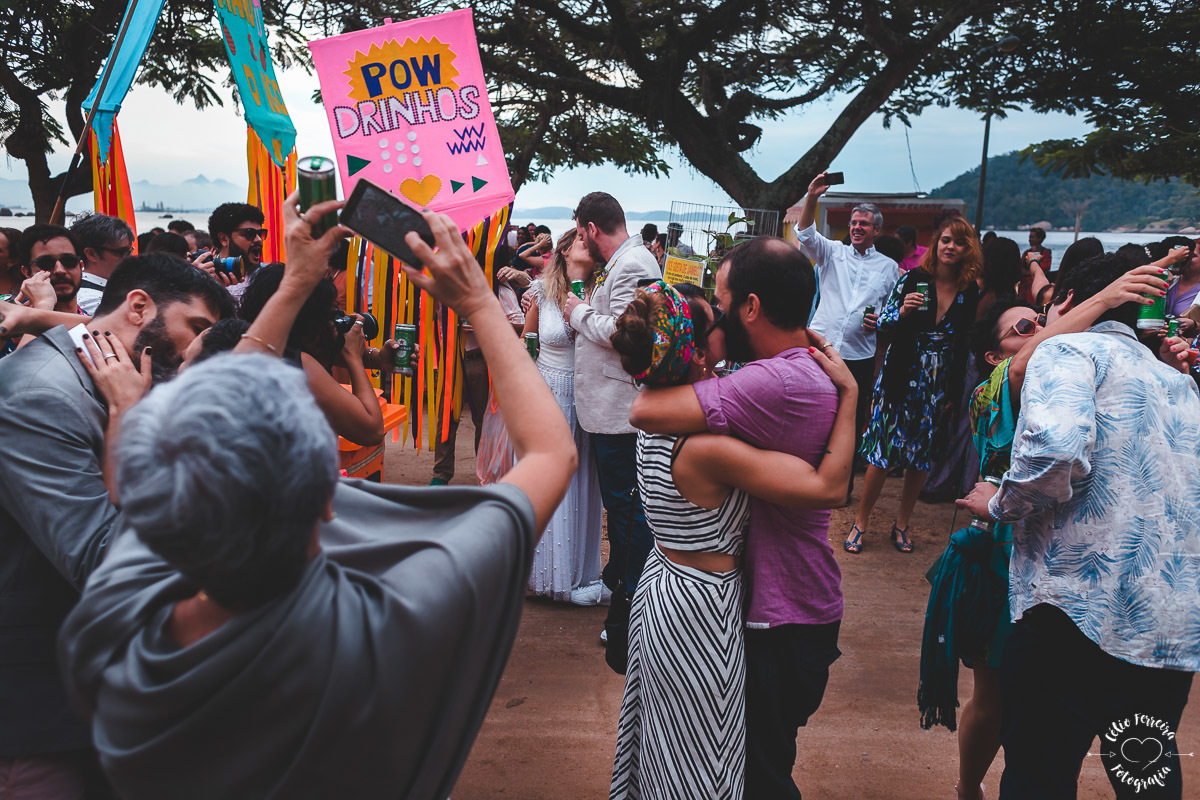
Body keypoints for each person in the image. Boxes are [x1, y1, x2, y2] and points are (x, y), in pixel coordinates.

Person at [58, 194, 578, 800]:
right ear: (330, 497)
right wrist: (479, 303)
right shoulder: (397, 620)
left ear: (155, 509)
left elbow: (139, 504)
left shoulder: (109, 632)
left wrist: (127, 410)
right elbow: (551, 454)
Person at [919, 261, 1171, 800]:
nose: (1040, 332)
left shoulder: (1075, 372)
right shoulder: (996, 385)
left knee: (1039, 732)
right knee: (994, 696)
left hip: (1064, 573)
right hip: (999, 556)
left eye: (1040, 319)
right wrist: (1101, 304)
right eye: (1023, 329)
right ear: (993, 355)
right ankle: (969, 789)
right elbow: (1036, 363)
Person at [610, 279, 857, 800]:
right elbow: (827, 486)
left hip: (659, 588)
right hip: (700, 603)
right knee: (703, 753)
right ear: (697, 354)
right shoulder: (708, 445)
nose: (727, 326)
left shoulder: (656, 409)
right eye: (714, 322)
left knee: (663, 744)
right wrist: (850, 394)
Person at [0, 253, 230, 796]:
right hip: (42, 705)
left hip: (95, 689)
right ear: (138, 306)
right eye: (195, 327)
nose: (197, 347)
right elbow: (104, 560)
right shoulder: (42, 394)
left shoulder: (112, 372)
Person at [848, 216, 982, 553]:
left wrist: (953, 393)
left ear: (968, 250)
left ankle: (902, 524)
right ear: (937, 243)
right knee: (882, 453)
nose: (951, 247)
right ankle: (861, 522)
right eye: (946, 240)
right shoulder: (913, 279)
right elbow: (884, 321)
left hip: (938, 380)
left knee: (921, 457)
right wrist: (904, 312)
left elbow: (964, 343)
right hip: (901, 373)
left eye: (960, 243)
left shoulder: (970, 290)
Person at [563, 191, 661, 611]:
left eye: (580, 229)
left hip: (620, 411)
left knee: (627, 509)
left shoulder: (635, 264)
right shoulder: (617, 263)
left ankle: (629, 601)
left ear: (590, 228)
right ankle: (616, 578)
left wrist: (578, 313)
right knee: (619, 506)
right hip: (604, 408)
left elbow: (629, 334)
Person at [796, 173, 899, 483]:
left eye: (864, 224)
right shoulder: (832, 254)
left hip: (859, 356)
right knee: (813, 409)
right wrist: (812, 196)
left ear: (876, 230)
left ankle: (842, 480)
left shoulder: (889, 268)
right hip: (820, 348)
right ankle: (805, 469)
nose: (857, 227)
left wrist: (881, 319)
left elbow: (894, 310)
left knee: (851, 420)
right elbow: (804, 234)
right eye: (854, 222)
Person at [520, 229, 604, 602]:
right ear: (565, 250)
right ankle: (542, 575)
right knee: (549, 478)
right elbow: (527, 341)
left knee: (582, 479)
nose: (590, 243)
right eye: (582, 239)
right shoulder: (541, 292)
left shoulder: (603, 292)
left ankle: (578, 576)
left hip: (585, 396)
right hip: (547, 392)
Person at [237, 263, 386, 446]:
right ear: (306, 320)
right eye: (326, 313)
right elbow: (372, 431)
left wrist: (377, 358)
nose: (331, 321)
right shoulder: (298, 367)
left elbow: (321, 352)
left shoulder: (255, 347)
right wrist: (353, 357)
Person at [71, 213, 135, 315]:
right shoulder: (90, 300)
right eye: (121, 252)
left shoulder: (112, 289)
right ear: (91, 254)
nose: (129, 258)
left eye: (129, 251)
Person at [208, 201, 266, 292]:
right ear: (223, 239)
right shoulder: (204, 278)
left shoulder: (270, 278)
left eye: (261, 234)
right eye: (250, 233)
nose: (258, 239)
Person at [1018, 227, 1051, 303]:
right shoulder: (1026, 253)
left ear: (1040, 238)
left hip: (1038, 285)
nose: (1030, 239)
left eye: (1032, 237)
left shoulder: (1046, 252)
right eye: (1029, 237)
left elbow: (1046, 268)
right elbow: (1020, 268)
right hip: (1025, 288)